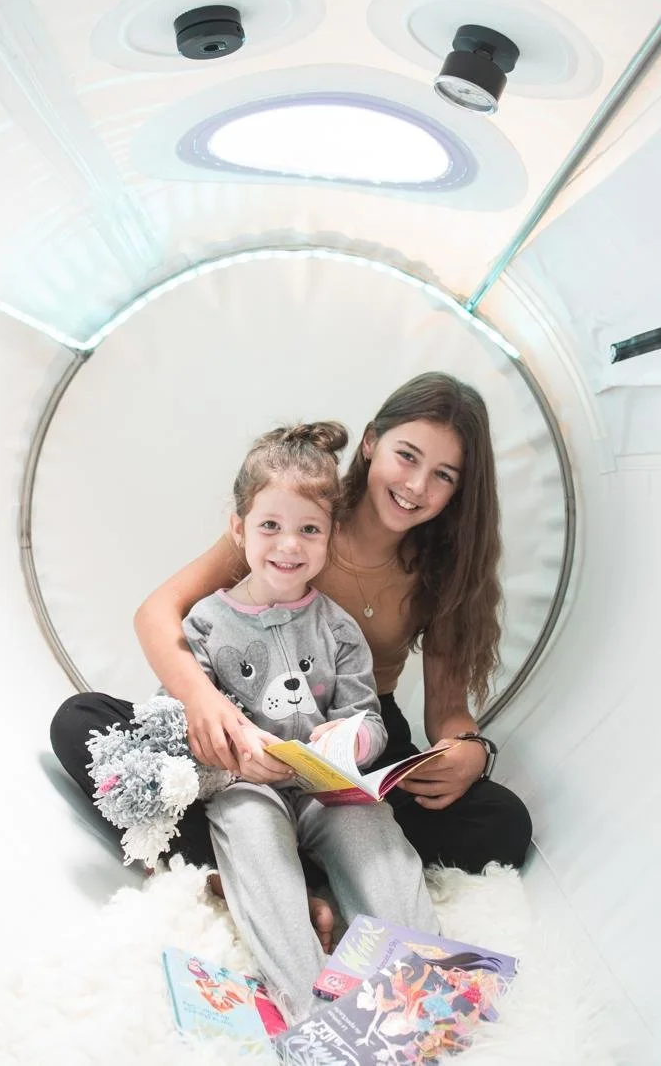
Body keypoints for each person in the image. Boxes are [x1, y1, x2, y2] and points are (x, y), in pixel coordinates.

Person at [50, 372, 532, 942]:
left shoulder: (441, 569)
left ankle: (295, 868)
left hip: (356, 735)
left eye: (443, 475)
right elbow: (157, 612)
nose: (417, 485)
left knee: (502, 823)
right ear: (372, 442)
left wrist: (470, 750)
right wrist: (205, 704)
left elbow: (447, 711)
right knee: (83, 724)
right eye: (407, 456)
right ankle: (287, 878)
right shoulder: (300, 518)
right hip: (245, 727)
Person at [168, 420, 438, 1021]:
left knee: (372, 831)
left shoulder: (338, 627)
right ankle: (311, 1012)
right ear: (238, 530)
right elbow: (180, 730)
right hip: (247, 789)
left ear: (329, 536)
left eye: (308, 530)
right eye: (270, 526)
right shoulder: (206, 625)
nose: (289, 546)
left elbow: (367, 717)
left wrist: (353, 738)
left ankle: (424, 990)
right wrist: (235, 749)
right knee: (255, 840)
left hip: (325, 790)